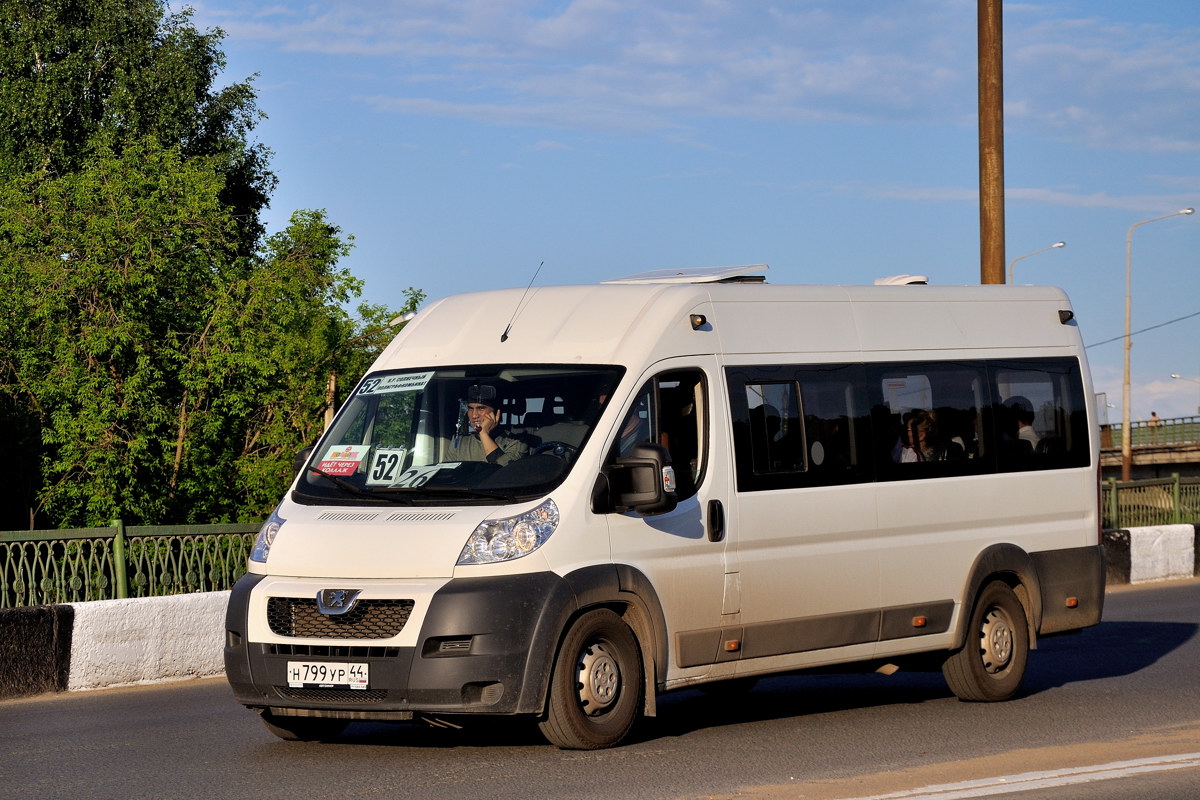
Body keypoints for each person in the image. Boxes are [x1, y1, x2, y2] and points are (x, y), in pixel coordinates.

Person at [447, 385, 528, 465]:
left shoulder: (516, 443)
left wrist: (483, 434)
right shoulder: (459, 442)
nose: (474, 415)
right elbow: (446, 472)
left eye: (481, 408)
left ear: (496, 413)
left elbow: (506, 473)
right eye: (470, 408)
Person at [893, 408, 964, 462]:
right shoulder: (903, 453)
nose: (906, 432)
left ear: (921, 435)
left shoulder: (946, 454)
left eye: (909, 430)